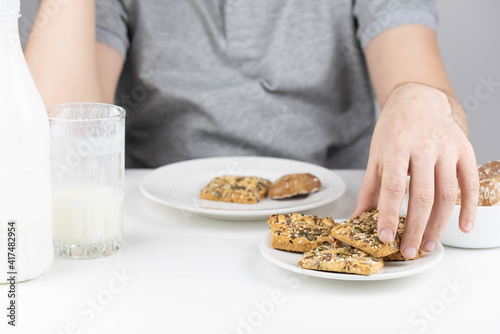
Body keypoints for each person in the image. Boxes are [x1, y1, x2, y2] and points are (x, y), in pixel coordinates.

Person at [24, 0, 479, 259]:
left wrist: (420, 101)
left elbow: (427, 93)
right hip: (156, 237)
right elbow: (59, 145)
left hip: (332, 222)